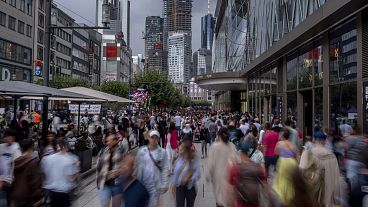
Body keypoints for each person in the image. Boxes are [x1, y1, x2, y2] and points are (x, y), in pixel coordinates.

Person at [299, 129, 340, 207]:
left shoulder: (307, 154)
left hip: (311, 195)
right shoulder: (332, 156)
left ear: (314, 140)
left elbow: (301, 173)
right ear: (325, 141)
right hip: (327, 197)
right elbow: (336, 180)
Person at [206, 127, 239, 207]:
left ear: (219, 135)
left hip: (219, 178)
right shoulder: (232, 146)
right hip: (231, 179)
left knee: (220, 199)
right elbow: (238, 161)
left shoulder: (214, 147)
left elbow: (210, 164)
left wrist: (208, 176)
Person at [41, 139, 79, 207]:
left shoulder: (47, 159)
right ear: (64, 147)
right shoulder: (69, 159)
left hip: (52, 192)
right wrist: (76, 172)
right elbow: (71, 178)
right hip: (63, 193)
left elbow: (43, 174)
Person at [135, 130, 169, 207]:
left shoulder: (162, 152)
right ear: (149, 138)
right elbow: (136, 166)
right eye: (152, 137)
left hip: (155, 186)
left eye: (156, 138)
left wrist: (165, 184)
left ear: (158, 139)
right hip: (142, 185)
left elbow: (165, 169)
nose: (154, 140)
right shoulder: (142, 151)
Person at [228, 141, 267, 207]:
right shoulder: (258, 168)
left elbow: (231, 191)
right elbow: (265, 186)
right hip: (255, 203)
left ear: (241, 153)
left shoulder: (235, 168)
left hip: (241, 204)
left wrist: (231, 204)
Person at [11, 139, 44, 207]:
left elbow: (14, 179)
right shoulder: (33, 162)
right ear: (31, 147)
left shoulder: (16, 161)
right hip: (29, 197)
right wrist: (39, 197)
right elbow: (35, 182)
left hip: (17, 195)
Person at [96, 133, 126, 207]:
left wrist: (117, 173)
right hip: (105, 183)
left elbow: (126, 166)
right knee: (104, 205)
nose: (108, 142)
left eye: (110, 140)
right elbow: (98, 167)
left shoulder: (121, 151)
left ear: (115, 141)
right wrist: (98, 182)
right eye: (107, 141)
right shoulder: (102, 151)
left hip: (117, 184)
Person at [272, 128, 299, 206]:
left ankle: (282, 196)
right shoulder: (292, 144)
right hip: (291, 162)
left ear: (283, 136)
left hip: (283, 162)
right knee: (290, 179)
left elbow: (276, 152)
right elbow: (296, 154)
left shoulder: (279, 143)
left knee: (282, 179)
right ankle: (290, 196)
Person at [172, 137, 201, 207]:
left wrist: (189, 179)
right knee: (179, 205)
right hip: (179, 187)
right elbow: (175, 173)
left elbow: (198, 174)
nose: (179, 148)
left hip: (190, 188)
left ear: (185, 150)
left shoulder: (193, 160)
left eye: (181, 147)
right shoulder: (178, 159)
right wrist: (174, 184)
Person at [0, 129, 21, 207]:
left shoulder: (16, 149)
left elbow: (16, 166)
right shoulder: (1, 146)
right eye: (6, 137)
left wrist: (10, 180)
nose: (8, 139)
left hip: (10, 181)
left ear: (13, 138)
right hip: (2, 179)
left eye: (10, 137)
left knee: (9, 200)